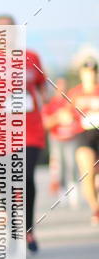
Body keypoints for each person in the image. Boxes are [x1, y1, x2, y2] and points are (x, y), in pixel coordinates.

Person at [0, 14, 48, 253]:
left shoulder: (32, 57)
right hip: (1, 132)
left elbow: (42, 84)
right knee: (6, 182)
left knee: (25, 177)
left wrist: (42, 98)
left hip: (30, 129)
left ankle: (28, 229)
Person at [67, 59, 99, 224]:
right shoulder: (75, 93)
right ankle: (95, 208)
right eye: (87, 73)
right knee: (87, 170)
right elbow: (67, 114)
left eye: (93, 72)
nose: (90, 76)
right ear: (81, 74)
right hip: (84, 134)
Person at [42, 76, 79, 206]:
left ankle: (73, 191)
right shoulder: (51, 104)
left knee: (72, 164)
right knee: (59, 166)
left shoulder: (72, 102)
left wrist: (70, 118)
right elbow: (46, 123)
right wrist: (58, 117)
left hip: (71, 137)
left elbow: (78, 119)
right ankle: (62, 191)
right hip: (57, 138)